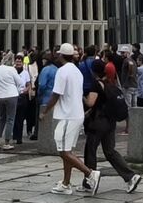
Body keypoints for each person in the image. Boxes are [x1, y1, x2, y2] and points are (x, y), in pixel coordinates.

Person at [40, 43, 101, 195]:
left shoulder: (62, 71)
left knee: (64, 151)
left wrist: (45, 111)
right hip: (76, 113)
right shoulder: (77, 71)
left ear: (60, 55)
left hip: (67, 115)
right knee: (67, 151)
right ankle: (66, 183)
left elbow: (56, 94)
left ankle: (90, 174)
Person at [80, 61, 141, 194]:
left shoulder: (96, 85)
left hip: (97, 123)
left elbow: (90, 103)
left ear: (93, 71)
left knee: (90, 151)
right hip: (110, 122)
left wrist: (82, 96)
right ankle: (130, 176)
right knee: (110, 151)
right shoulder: (110, 83)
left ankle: (89, 181)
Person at [0, 53, 24, 150]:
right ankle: (6, 142)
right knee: (10, 119)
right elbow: (20, 82)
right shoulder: (12, 69)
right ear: (12, 61)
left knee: (1, 118)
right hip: (11, 95)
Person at [32, 52, 57, 141]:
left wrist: (38, 93)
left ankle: (39, 135)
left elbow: (42, 85)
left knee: (41, 117)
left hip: (45, 97)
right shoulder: (56, 69)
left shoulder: (45, 70)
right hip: (54, 97)